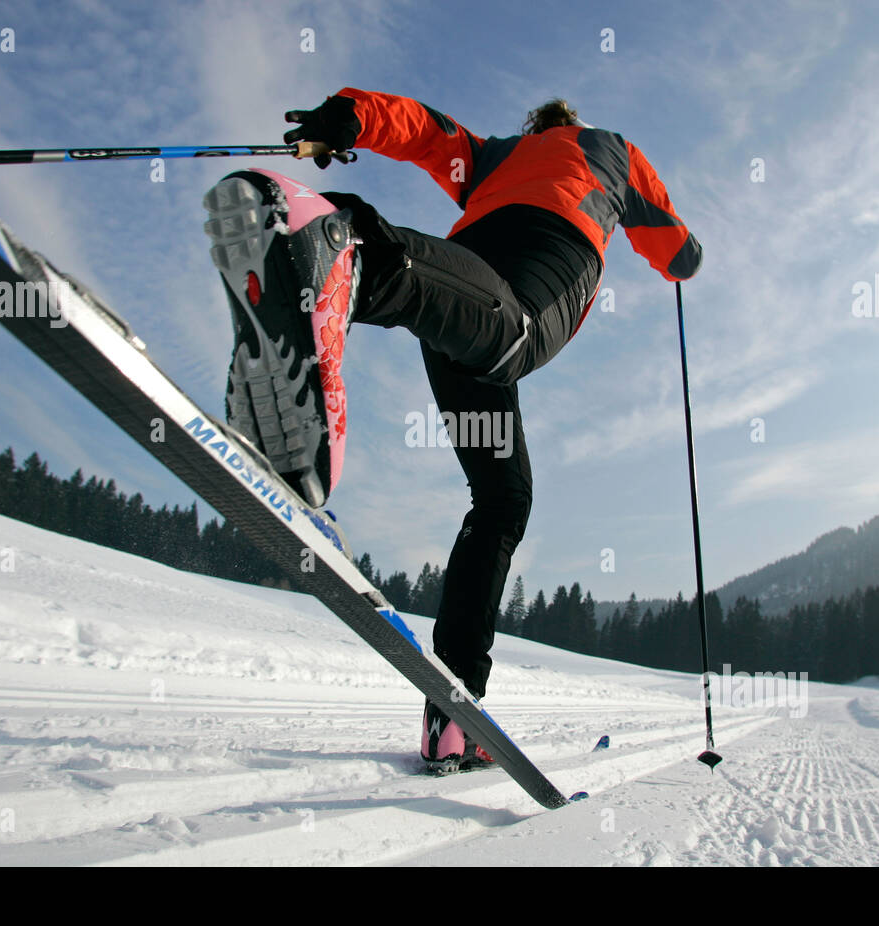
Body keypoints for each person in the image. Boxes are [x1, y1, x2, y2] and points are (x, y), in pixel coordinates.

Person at [203, 90, 700, 770]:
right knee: (516, 339)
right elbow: (671, 240)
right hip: (542, 252)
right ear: (573, 125)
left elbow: (431, 134)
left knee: (502, 497)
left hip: (459, 284)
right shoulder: (608, 149)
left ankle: (456, 712)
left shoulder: (499, 155)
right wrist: (686, 258)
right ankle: (352, 257)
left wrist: (349, 117)